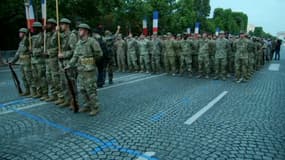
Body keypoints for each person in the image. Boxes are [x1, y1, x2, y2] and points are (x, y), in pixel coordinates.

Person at [65, 23, 103, 116]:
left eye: (81, 30)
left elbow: (99, 54)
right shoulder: (78, 43)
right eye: (79, 30)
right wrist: (69, 65)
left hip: (90, 71)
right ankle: (87, 104)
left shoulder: (92, 41)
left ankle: (95, 107)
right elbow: (75, 56)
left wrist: (90, 61)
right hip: (81, 70)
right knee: (82, 89)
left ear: (86, 31)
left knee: (91, 89)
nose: (79, 32)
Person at [56, 18, 78, 107]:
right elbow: (55, 39)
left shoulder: (71, 36)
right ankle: (67, 100)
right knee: (63, 83)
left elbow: (74, 50)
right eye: (60, 24)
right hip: (62, 63)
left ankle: (74, 101)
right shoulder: (62, 35)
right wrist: (56, 32)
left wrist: (63, 54)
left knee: (71, 83)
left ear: (67, 25)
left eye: (62, 24)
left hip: (69, 63)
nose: (60, 26)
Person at [9, 28, 32, 96]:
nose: (19, 34)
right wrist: (12, 61)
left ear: (24, 34)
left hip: (27, 61)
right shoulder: (21, 42)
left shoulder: (27, 40)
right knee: (24, 77)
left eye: (21, 33)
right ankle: (27, 91)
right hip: (21, 62)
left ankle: (34, 91)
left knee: (29, 77)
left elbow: (27, 41)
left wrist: (28, 33)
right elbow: (18, 53)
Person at [44, 18, 61, 102]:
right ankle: (54, 94)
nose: (47, 26)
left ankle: (60, 96)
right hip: (48, 59)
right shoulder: (48, 34)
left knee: (56, 78)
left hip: (54, 59)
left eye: (49, 24)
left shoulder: (57, 34)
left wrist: (49, 52)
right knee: (49, 77)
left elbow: (57, 47)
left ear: (54, 25)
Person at [30, 22, 48, 98]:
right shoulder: (33, 37)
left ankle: (45, 93)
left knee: (42, 77)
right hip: (34, 60)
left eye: (34, 28)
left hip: (40, 60)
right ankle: (39, 92)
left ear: (38, 28)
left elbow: (44, 48)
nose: (33, 29)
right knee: (35, 77)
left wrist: (34, 51)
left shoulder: (43, 36)